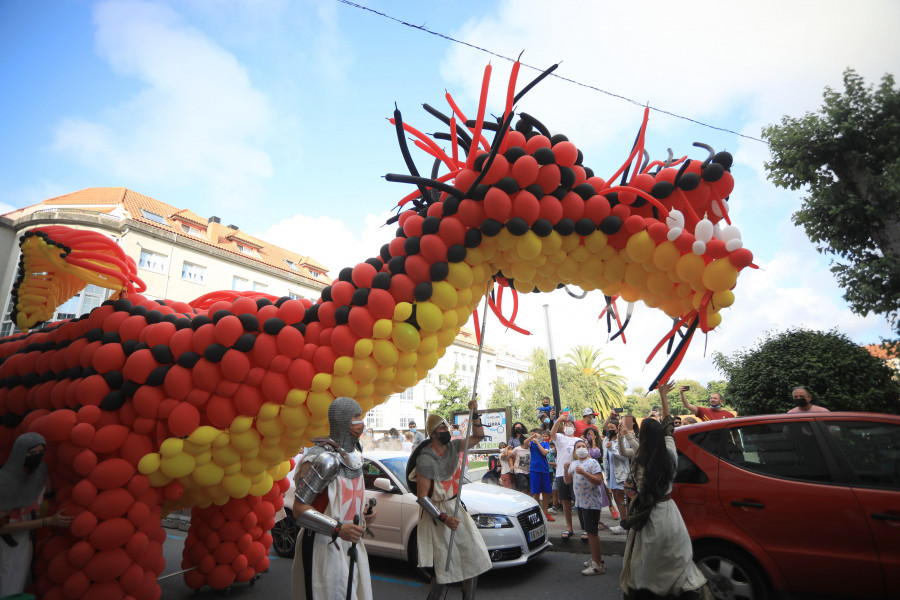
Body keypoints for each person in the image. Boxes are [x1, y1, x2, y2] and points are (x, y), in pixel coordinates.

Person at [620, 381, 709, 599]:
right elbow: (669, 425)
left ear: (643, 438)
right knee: (676, 555)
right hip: (670, 512)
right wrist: (664, 397)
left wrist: (627, 435)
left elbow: (642, 449)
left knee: (646, 559)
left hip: (650, 515)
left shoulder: (641, 459)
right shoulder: (670, 451)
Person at [291, 396, 376, 600]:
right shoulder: (321, 459)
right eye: (356, 417)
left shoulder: (353, 458)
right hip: (324, 545)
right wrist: (337, 529)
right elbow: (299, 511)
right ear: (342, 421)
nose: (361, 424)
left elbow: (349, 500)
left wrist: (365, 514)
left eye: (361, 417)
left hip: (351, 543)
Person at [408, 399, 490, 599]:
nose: (447, 429)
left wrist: (476, 414)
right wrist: (445, 518)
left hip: (455, 508)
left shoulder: (453, 448)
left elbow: (478, 436)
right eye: (443, 427)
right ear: (434, 433)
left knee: (474, 557)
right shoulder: (425, 459)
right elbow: (422, 498)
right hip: (436, 515)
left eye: (446, 425)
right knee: (443, 570)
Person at [0, 433, 73, 597]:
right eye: (32, 453)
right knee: (8, 589)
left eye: (40, 452)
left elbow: (46, 495)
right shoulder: (5, 482)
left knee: (20, 586)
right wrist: (48, 521)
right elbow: (3, 527)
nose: (36, 457)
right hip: (6, 546)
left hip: (26, 544)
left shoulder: (39, 476)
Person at [564, 439, 607, 576]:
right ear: (575, 451)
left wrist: (583, 473)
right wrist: (566, 470)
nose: (581, 448)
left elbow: (598, 481)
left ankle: (598, 565)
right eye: (578, 446)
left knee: (592, 533)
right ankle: (595, 559)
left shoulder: (593, 462)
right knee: (589, 532)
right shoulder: (574, 464)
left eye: (583, 446)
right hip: (580, 503)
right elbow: (567, 481)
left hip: (592, 504)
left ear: (587, 449)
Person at [550, 414, 579, 540]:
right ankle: (569, 528)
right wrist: (558, 420)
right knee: (565, 502)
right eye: (566, 424)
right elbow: (552, 434)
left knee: (579, 501)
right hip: (561, 473)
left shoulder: (578, 440)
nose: (568, 426)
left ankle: (585, 528)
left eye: (571, 424)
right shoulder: (560, 438)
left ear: (574, 428)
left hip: (577, 473)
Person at [603, 418, 629, 534]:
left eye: (612, 428)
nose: (609, 430)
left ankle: (625, 524)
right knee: (617, 500)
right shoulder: (606, 441)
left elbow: (624, 456)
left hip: (621, 474)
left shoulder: (622, 440)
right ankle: (624, 523)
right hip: (611, 475)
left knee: (621, 499)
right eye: (608, 428)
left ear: (618, 429)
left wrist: (612, 449)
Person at [522, 429, 554, 521]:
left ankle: (545, 512)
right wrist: (532, 437)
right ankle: (538, 513)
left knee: (546, 492)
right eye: (531, 435)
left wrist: (538, 442)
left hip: (544, 470)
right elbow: (525, 442)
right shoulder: (531, 444)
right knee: (535, 493)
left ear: (540, 435)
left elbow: (544, 453)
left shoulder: (545, 444)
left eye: (535, 435)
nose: (532, 437)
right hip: (534, 470)